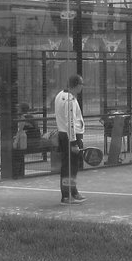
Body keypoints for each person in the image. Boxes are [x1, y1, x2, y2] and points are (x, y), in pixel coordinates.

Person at [54, 73, 86, 203]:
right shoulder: (70, 99)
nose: (82, 86)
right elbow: (71, 122)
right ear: (77, 85)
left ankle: (71, 193)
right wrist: (73, 143)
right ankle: (67, 196)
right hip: (71, 137)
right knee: (71, 167)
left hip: (64, 135)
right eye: (81, 84)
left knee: (68, 166)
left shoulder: (59, 95)